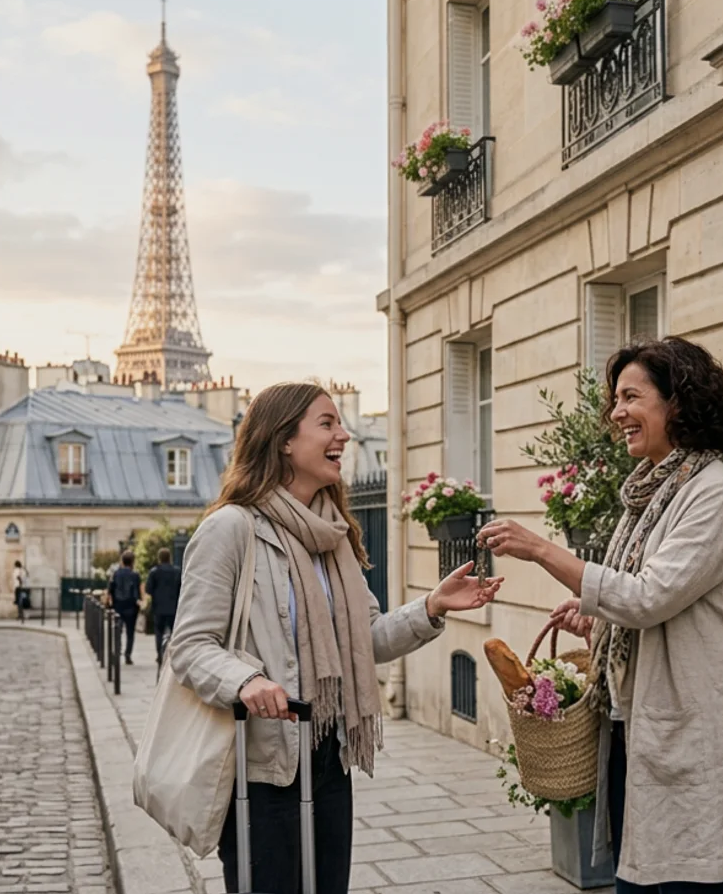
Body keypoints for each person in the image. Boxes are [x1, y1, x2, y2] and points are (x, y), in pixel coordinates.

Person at [171, 380, 503, 894]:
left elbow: (365, 641)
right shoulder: (231, 530)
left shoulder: (332, 535)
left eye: (340, 424)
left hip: (329, 754)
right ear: (284, 439)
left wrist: (431, 606)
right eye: (326, 424)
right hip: (263, 767)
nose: (344, 436)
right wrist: (245, 681)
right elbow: (190, 646)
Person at [479, 337, 723, 893]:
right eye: (616, 400)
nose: (616, 413)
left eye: (631, 397)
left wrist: (541, 550)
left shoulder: (715, 492)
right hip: (636, 731)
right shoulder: (652, 492)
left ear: (678, 402)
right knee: (639, 880)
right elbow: (645, 600)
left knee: (683, 880)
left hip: (692, 731)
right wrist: (599, 619)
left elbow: (649, 596)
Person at [145, 547, 182, 665]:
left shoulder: (154, 572)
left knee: (159, 633)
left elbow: (148, 589)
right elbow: (181, 588)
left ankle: (159, 654)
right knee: (175, 633)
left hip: (159, 607)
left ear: (159, 558)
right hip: (174, 608)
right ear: (169, 557)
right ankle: (174, 655)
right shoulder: (177, 571)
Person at [109, 552, 142, 665]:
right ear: (133, 561)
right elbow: (137, 592)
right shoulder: (135, 575)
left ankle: (117, 651)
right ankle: (128, 655)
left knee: (117, 630)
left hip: (118, 605)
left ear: (122, 561)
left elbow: (111, 589)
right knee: (130, 633)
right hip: (131, 606)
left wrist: (112, 603)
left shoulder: (116, 574)